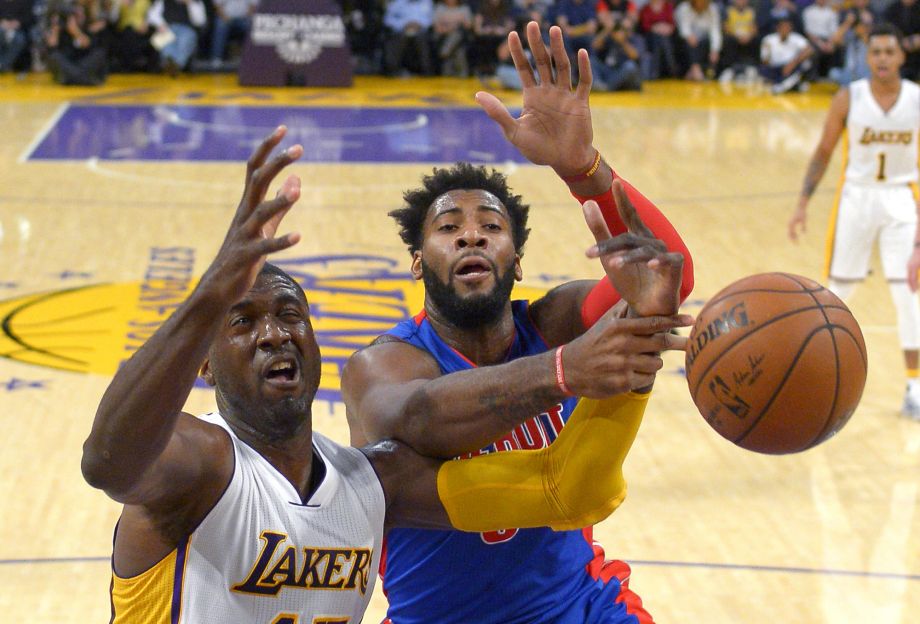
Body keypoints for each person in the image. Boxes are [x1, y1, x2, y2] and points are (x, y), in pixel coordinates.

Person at [81, 123, 690, 621]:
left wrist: (633, 358)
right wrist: (213, 292)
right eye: (242, 322)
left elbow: (567, 489)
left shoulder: (372, 484)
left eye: (291, 314)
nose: (274, 333)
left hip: (579, 605)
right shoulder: (202, 462)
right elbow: (108, 461)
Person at [342, 21, 695, 624]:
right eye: (448, 228)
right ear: (417, 261)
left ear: (516, 259)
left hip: (582, 607)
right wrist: (563, 372)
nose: (472, 232)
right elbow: (418, 416)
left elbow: (670, 277)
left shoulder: (553, 320)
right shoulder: (384, 363)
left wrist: (584, 169)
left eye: (492, 226)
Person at [789, 23, 920, 421]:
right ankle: (818, 377)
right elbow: (823, 152)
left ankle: (915, 386)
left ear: (901, 57)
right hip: (856, 199)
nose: (882, 58)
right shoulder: (849, 98)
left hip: (902, 200)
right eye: (875, 51)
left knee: (910, 293)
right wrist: (802, 203)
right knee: (838, 292)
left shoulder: (916, 99)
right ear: (867, 57)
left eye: (889, 52)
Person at [759, 11, 813, 94]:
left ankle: (782, 86)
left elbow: (809, 50)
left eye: (788, 27)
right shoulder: (768, 39)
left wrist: (792, 63)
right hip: (775, 67)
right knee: (763, 70)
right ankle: (793, 85)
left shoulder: (796, 38)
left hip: (792, 66)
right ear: (778, 28)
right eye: (784, 27)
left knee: (806, 63)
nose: (786, 29)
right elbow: (765, 60)